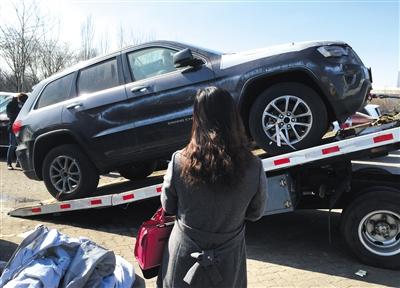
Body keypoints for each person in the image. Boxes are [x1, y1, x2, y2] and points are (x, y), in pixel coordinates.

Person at [157, 87, 267, 288]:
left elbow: (168, 207)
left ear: (197, 118)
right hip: (229, 262)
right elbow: (255, 213)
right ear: (233, 116)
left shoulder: (178, 161)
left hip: (183, 258)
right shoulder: (254, 166)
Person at [6, 93, 28, 170]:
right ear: (19, 99)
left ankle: (19, 163)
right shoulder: (11, 104)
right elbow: (9, 115)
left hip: (22, 127)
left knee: (21, 146)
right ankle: (9, 163)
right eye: (22, 102)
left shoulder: (25, 104)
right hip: (13, 126)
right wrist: (19, 115)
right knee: (12, 145)